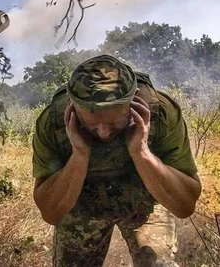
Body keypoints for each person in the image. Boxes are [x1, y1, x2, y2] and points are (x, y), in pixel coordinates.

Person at [32, 55, 202, 267]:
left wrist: (141, 152)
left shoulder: (161, 111)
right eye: (92, 124)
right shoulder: (53, 123)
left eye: (114, 122)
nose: (103, 133)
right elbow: (51, 212)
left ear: (134, 101)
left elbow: (185, 206)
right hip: (81, 205)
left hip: (143, 202)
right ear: (73, 108)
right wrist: (79, 155)